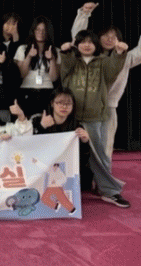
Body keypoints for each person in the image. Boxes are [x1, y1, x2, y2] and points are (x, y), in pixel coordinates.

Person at [60, 30, 129, 207]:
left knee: (99, 156)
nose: (87, 45)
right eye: (82, 41)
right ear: (77, 44)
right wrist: (66, 52)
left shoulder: (103, 62)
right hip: (70, 116)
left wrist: (118, 53)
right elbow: (64, 68)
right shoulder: (72, 61)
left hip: (95, 117)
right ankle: (59, 189)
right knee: (63, 154)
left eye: (90, 42)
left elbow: (114, 69)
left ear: (96, 45)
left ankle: (109, 191)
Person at [32, 87, 126, 207]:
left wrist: (85, 141)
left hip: (63, 171)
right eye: (60, 102)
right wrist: (41, 127)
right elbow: (31, 147)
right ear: (52, 103)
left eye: (68, 103)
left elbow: (83, 158)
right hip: (43, 169)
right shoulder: (39, 120)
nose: (64, 106)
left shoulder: (76, 126)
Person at [70, 1, 141, 159]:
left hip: (108, 108)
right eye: (106, 36)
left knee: (105, 147)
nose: (109, 39)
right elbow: (78, 38)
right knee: (81, 146)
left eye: (114, 37)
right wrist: (84, 14)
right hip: (86, 107)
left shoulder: (125, 57)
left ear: (119, 40)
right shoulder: (89, 54)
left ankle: (103, 174)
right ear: (98, 37)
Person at [14, 16, 60, 117]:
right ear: (33, 31)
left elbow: (53, 78)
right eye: (38, 29)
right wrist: (29, 56)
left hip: (47, 92)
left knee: (46, 123)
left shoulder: (56, 51)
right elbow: (21, 75)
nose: (41, 32)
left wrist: (52, 59)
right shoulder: (22, 49)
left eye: (44, 30)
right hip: (26, 91)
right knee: (26, 122)